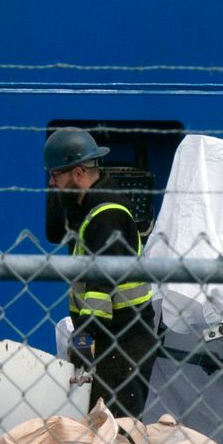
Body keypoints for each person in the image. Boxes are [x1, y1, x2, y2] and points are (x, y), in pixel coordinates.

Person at [43, 128, 158, 419]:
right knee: (99, 425)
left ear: (79, 172)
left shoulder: (109, 214)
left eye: (56, 175)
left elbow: (100, 283)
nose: (51, 183)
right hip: (110, 336)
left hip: (124, 338)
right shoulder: (85, 206)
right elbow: (55, 233)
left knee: (116, 429)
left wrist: (84, 337)